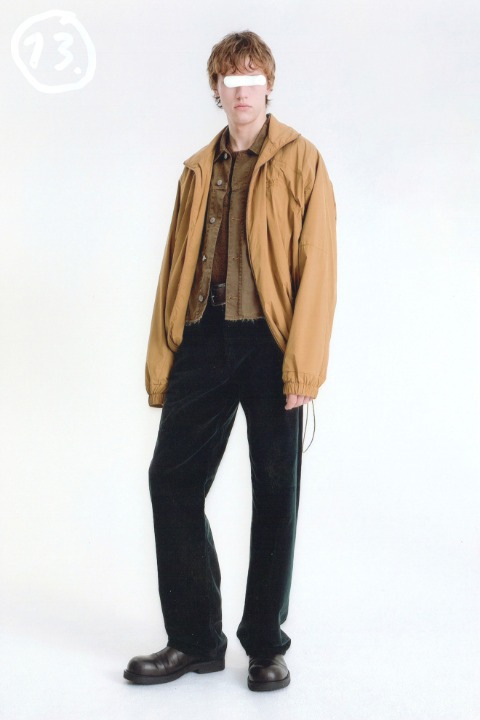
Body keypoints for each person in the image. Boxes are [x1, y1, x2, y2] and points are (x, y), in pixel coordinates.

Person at [123, 30, 337, 692]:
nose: (242, 89)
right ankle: (195, 641)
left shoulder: (302, 160)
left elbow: (318, 269)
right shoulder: (197, 169)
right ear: (216, 90)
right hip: (202, 338)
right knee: (171, 482)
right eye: (230, 78)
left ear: (268, 87)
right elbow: (173, 270)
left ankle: (266, 645)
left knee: (275, 493)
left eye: (252, 77)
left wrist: (303, 367)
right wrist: (164, 356)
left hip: (271, 343)